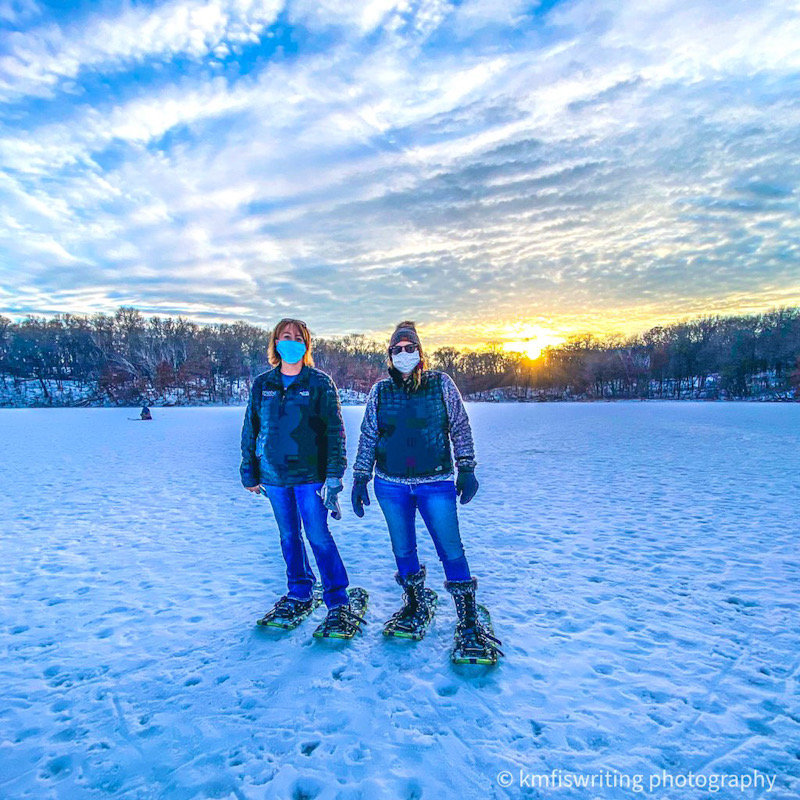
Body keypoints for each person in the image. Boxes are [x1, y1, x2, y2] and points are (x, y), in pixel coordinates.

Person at [351, 321, 502, 661]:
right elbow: (369, 435)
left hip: (435, 482)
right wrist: (360, 477)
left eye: (409, 347)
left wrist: (467, 468)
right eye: (397, 349)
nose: (403, 353)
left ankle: (467, 618)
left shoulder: (441, 384)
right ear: (389, 356)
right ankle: (415, 602)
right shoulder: (380, 391)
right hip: (390, 484)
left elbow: (459, 426)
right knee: (403, 549)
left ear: (420, 352)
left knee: (451, 549)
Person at [240, 318, 362, 636]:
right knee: (288, 537)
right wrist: (248, 471)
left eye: (297, 337)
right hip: (274, 476)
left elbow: (335, 433)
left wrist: (334, 476)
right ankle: (299, 590)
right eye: (285, 336)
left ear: (306, 344)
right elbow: (251, 429)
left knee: (318, 536)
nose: (291, 341)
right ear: (275, 343)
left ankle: (337, 600)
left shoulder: (319, 384)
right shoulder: (262, 385)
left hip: (311, 477)